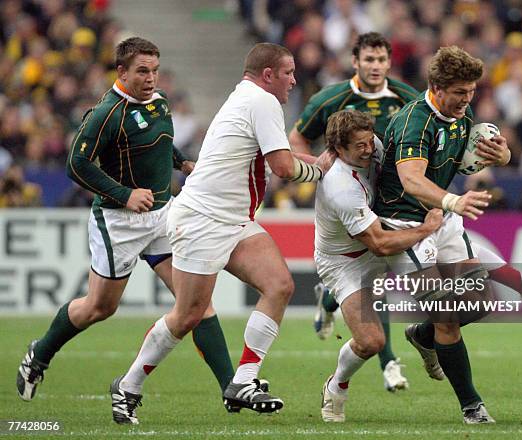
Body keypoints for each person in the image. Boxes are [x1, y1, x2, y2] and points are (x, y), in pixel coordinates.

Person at [110, 42, 326, 424]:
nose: (294, 80)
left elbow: (283, 158)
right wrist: (322, 170)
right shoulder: (263, 102)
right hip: (203, 220)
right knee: (188, 315)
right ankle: (128, 387)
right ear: (268, 75)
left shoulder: (248, 97)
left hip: (232, 219)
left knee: (279, 285)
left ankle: (243, 380)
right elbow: (283, 167)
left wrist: (325, 163)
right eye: (288, 73)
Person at [16, 37, 236, 411]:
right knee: (99, 308)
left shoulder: (159, 101)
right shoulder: (106, 113)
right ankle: (40, 352)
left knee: (195, 303)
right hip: (118, 221)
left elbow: (160, 141)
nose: (151, 78)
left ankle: (232, 388)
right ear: (122, 72)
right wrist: (125, 194)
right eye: (142, 71)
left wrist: (182, 162)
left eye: (154, 70)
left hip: (162, 217)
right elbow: (77, 165)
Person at [373, 46, 522, 424]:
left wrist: (504, 154)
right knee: (447, 314)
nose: (467, 100)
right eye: (460, 92)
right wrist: (453, 200)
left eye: (471, 91)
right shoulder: (416, 121)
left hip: (442, 217)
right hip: (405, 224)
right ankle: (472, 406)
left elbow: (497, 157)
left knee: (478, 301)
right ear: (436, 87)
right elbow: (412, 180)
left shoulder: (462, 115)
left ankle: (423, 336)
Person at [290, 31, 419, 392]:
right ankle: (389, 361)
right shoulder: (330, 98)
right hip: (347, 198)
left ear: (389, 63)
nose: (375, 66)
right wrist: (320, 169)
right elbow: (296, 138)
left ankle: (331, 301)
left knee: (374, 281)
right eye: (369, 60)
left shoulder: (406, 97)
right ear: (355, 62)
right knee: (372, 278)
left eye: (381, 60)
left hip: (387, 198)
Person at [315, 109, 443, 422]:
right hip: (345, 262)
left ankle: (427, 339)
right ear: (338, 150)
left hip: (378, 242)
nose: (368, 148)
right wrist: (426, 229)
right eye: (358, 145)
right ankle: (336, 385)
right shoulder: (340, 186)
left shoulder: (375, 145)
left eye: (369, 140)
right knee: (372, 341)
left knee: (442, 300)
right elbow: (379, 243)